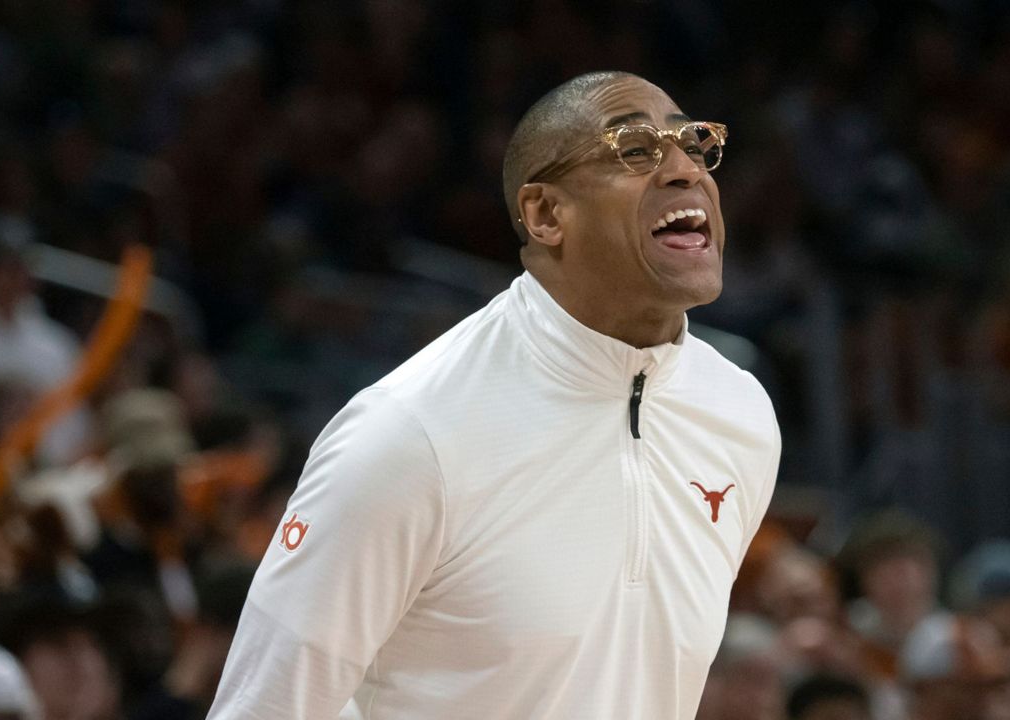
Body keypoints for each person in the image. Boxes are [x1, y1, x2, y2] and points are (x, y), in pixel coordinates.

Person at [207, 70, 781, 719]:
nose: (686, 171)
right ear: (544, 214)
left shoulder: (741, 415)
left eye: (696, 144)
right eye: (637, 149)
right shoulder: (409, 434)